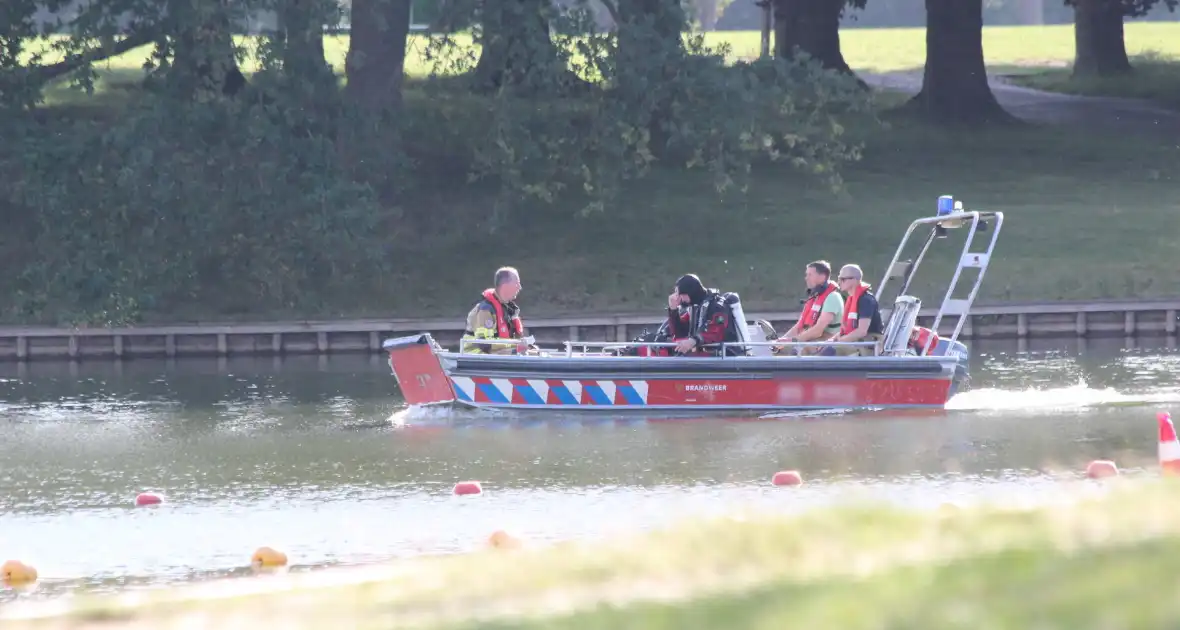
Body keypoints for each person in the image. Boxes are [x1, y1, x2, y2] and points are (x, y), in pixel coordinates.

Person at [635, 274, 740, 357]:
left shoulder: (717, 307)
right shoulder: (695, 308)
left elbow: (716, 332)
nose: (679, 298)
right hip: (701, 355)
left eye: (680, 295)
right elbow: (680, 332)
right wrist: (673, 310)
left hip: (721, 355)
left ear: (690, 292)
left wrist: (693, 341)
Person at [774, 260, 843, 355]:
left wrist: (792, 341)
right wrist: (781, 341)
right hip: (813, 341)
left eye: (810, 275)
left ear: (822, 277)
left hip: (828, 343)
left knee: (798, 351)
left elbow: (818, 330)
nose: (806, 278)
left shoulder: (832, 297)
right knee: (782, 351)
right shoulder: (815, 297)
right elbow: (799, 326)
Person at [460, 267, 529, 355]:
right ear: (505, 286)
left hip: (498, 355)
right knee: (519, 353)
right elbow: (485, 345)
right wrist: (515, 347)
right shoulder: (486, 310)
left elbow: (518, 340)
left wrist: (528, 346)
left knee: (533, 353)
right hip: (477, 357)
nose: (520, 287)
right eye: (517, 283)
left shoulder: (509, 310)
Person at [824, 264, 884, 356]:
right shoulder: (852, 300)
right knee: (824, 348)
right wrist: (832, 339)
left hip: (867, 345)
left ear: (855, 280)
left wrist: (839, 341)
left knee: (830, 351)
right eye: (839, 279)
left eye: (843, 279)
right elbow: (847, 330)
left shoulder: (866, 300)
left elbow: (862, 331)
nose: (839, 282)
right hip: (855, 343)